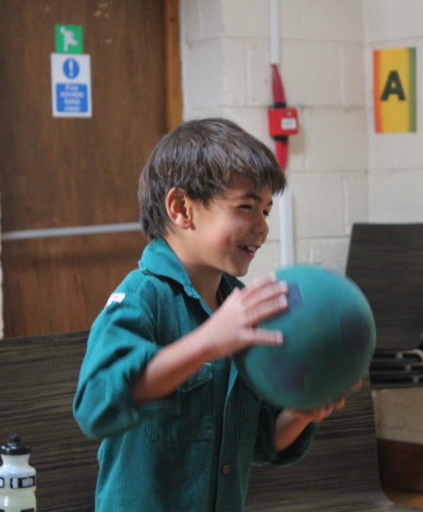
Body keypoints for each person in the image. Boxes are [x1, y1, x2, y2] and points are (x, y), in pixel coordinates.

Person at [73, 118, 347, 511]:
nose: (262, 227)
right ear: (182, 209)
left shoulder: (243, 307)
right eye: (246, 207)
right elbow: (95, 408)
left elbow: (260, 443)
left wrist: (302, 413)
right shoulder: (140, 297)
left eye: (266, 211)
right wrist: (206, 342)